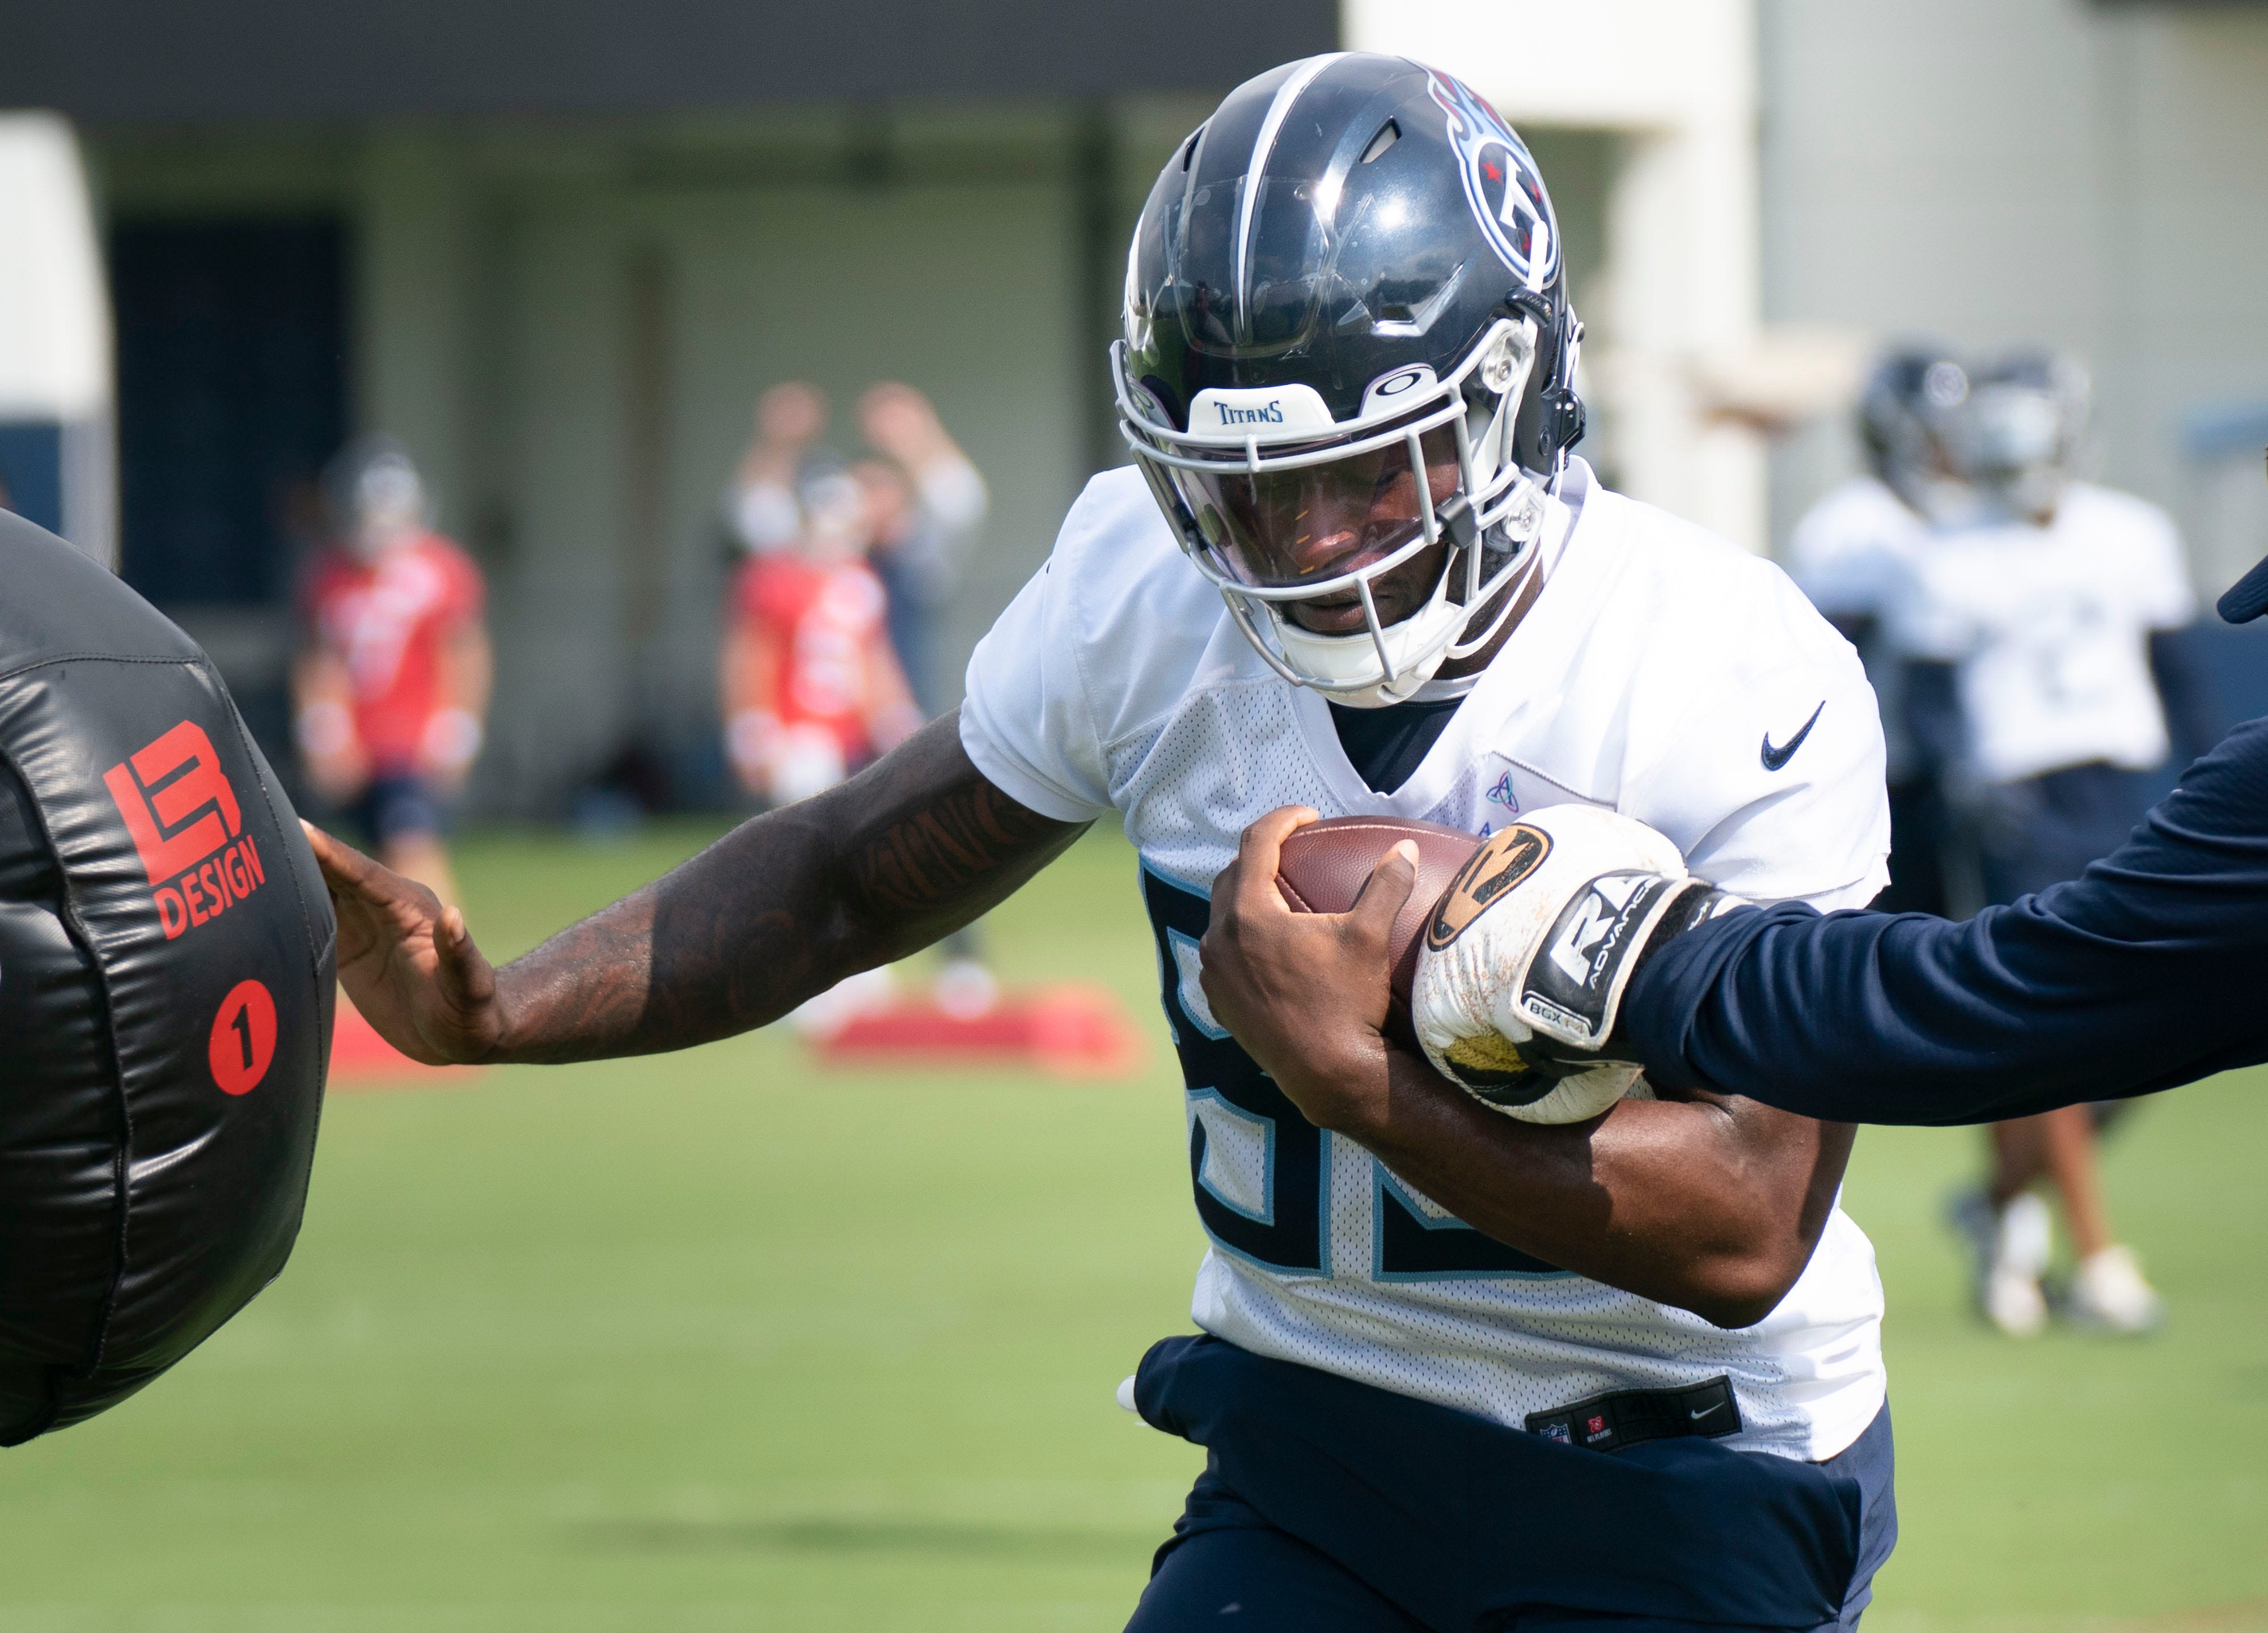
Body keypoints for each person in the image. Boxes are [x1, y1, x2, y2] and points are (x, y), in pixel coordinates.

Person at [312, 57, 1900, 1633]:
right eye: (1251, 489)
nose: (1307, 543)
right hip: (1321, 1445)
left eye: (1362, 467)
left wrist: (1351, 1076)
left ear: (1513, 395)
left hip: (1685, 1468)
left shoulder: (1729, 670)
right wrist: (508, 1007)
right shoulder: (1147, 591)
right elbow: (849, 872)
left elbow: (1745, 1222)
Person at [1881, 350, 2204, 1335]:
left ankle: (1999, 1207)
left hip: (2128, 788)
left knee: (2158, 1030)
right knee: (2051, 1028)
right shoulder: (1942, 556)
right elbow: (1929, 712)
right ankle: (2099, 1259)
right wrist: (1967, 794)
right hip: (2020, 806)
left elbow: (2178, 676)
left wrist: (2206, 783)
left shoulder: (2134, 534)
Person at [1787, 348, 1966, 917]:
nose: (1953, 447)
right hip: (1886, 774)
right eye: (1939, 432)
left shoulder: (1951, 518)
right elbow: (1837, 662)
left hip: (1945, 771)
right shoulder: (1853, 526)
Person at [294, 438, 490, 906]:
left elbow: (465, 653)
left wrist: (457, 727)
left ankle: (447, 957)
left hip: (415, 741)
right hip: (364, 743)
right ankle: (406, 967)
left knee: (414, 846)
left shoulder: (440, 569)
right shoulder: (329, 574)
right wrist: (325, 733)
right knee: (372, 866)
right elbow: (321, 661)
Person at [719, 456, 922, 807]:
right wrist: (751, 726)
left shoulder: (861, 580)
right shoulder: (775, 576)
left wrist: (897, 718)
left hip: (850, 736)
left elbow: (873, 659)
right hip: (795, 738)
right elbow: (750, 656)